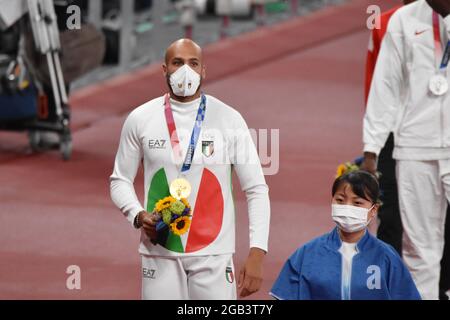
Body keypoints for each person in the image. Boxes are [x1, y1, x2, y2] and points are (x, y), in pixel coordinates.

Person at [110, 39, 270, 300]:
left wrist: (257, 252)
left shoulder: (229, 119)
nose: (186, 70)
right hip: (159, 252)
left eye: (193, 63)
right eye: (177, 63)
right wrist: (138, 215)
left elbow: (256, 189)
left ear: (203, 71)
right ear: (165, 70)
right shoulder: (140, 119)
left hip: (214, 254)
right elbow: (119, 180)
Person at [361, 0, 450, 299]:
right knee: (418, 249)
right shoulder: (403, 20)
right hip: (413, 145)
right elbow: (385, 84)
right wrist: (371, 149)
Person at [270, 171, 420, 300]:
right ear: (332, 201)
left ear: (374, 210)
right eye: (340, 200)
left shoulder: (386, 257)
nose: (347, 207)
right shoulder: (307, 254)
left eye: (357, 203)